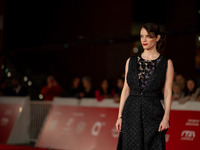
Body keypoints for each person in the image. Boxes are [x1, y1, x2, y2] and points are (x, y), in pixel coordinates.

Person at [116, 23, 174, 150]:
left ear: (157, 38)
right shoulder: (130, 61)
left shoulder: (166, 63)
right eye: (142, 36)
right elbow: (126, 90)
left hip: (153, 113)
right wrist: (119, 116)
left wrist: (166, 117)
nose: (144, 40)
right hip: (131, 112)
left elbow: (168, 92)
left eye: (148, 36)